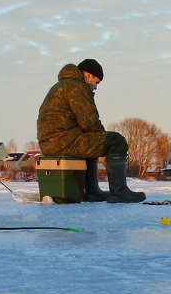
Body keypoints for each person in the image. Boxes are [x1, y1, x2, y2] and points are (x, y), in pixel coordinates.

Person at [35, 59, 145, 203]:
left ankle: (92, 191)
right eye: (96, 82)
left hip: (52, 143)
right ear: (88, 75)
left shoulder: (61, 86)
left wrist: (98, 138)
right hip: (64, 141)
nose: (95, 87)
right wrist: (104, 138)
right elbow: (89, 121)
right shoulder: (77, 87)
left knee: (90, 140)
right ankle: (119, 192)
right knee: (116, 141)